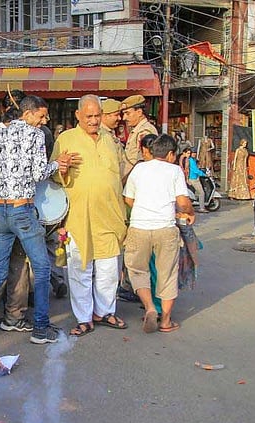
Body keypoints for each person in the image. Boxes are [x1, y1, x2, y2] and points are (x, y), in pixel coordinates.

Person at [0, 95, 74, 344]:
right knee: (42, 267)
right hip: (22, 210)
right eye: (42, 116)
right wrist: (57, 164)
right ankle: (41, 328)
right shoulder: (36, 135)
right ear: (28, 114)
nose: (45, 120)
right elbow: (38, 173)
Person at [52, 94, 128, 337]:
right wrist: (60, 167)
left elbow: (119, 175)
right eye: (89, 116)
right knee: (80, 269)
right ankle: (84, 318)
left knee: (108, 269)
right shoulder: (66, 139)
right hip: (78, 216)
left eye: (97, 115)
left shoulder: (110, 140)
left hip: (109, 214)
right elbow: (52, 176)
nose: (94, 121)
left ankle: (104, 312)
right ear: (78, 116)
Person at [123, 134, 195, 334]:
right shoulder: (174, 171)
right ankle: (165, 321)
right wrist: (190, 212)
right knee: (168, 273)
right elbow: (182, 201)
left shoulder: (139, 169)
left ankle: (150, 307)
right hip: (165, 227)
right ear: (171, 154)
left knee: (138, 270)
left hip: (139, 227)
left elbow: (128, 199)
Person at [121, 95, 158, 172]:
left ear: (139, 112)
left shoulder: (145, 131)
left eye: (127, 113)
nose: (124, 118)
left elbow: (144, 160)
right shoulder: (137, 130)